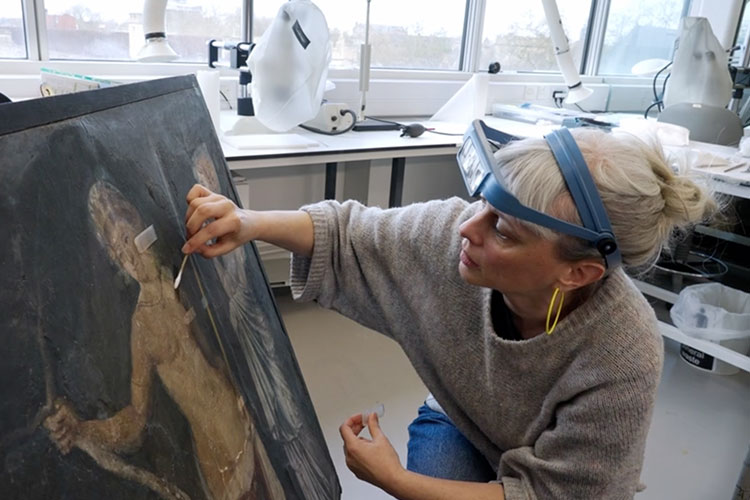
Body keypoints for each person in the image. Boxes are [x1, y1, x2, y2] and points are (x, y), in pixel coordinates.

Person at [181, 127, 715, 499]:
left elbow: (555, 494)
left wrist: (394, 480)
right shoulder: (452, 234)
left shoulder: (624, 352)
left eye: (503, 230)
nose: (466, 227)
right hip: (463, 419)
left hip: (559, 474)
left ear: (577, 273)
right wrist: (249, 222)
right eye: (482, 203)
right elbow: (347, 233)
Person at [45, 181, 286, 500]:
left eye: (125, 239)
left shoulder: (182, 274)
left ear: (139, 226)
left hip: (246, 425)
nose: (127, 257)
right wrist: (82, 429)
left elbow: (216, 353)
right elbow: (136, 420)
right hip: (222, 459)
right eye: (116, 252)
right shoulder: (143, 325)